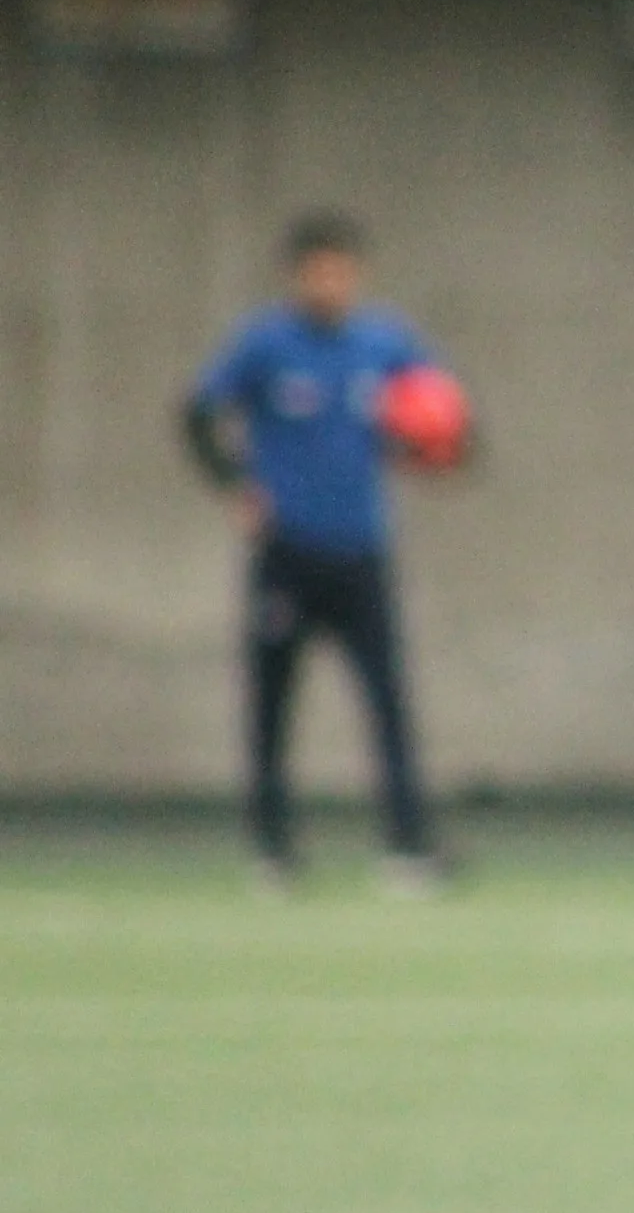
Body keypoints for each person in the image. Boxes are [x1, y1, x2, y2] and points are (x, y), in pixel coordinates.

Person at [183, 211, 458, 896]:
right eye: (317, 271)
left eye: (341, 270)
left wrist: (439, 443)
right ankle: (272, 848)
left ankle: (408, 845)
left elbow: (444, 419)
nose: (329, 283)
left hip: (360, 550)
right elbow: (196, 413)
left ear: (356, 274)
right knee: (272, 701)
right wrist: (235, 487)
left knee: (388, 700)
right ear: (296, 275)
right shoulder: (265, 345)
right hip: (287, 553)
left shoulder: (384, 343)